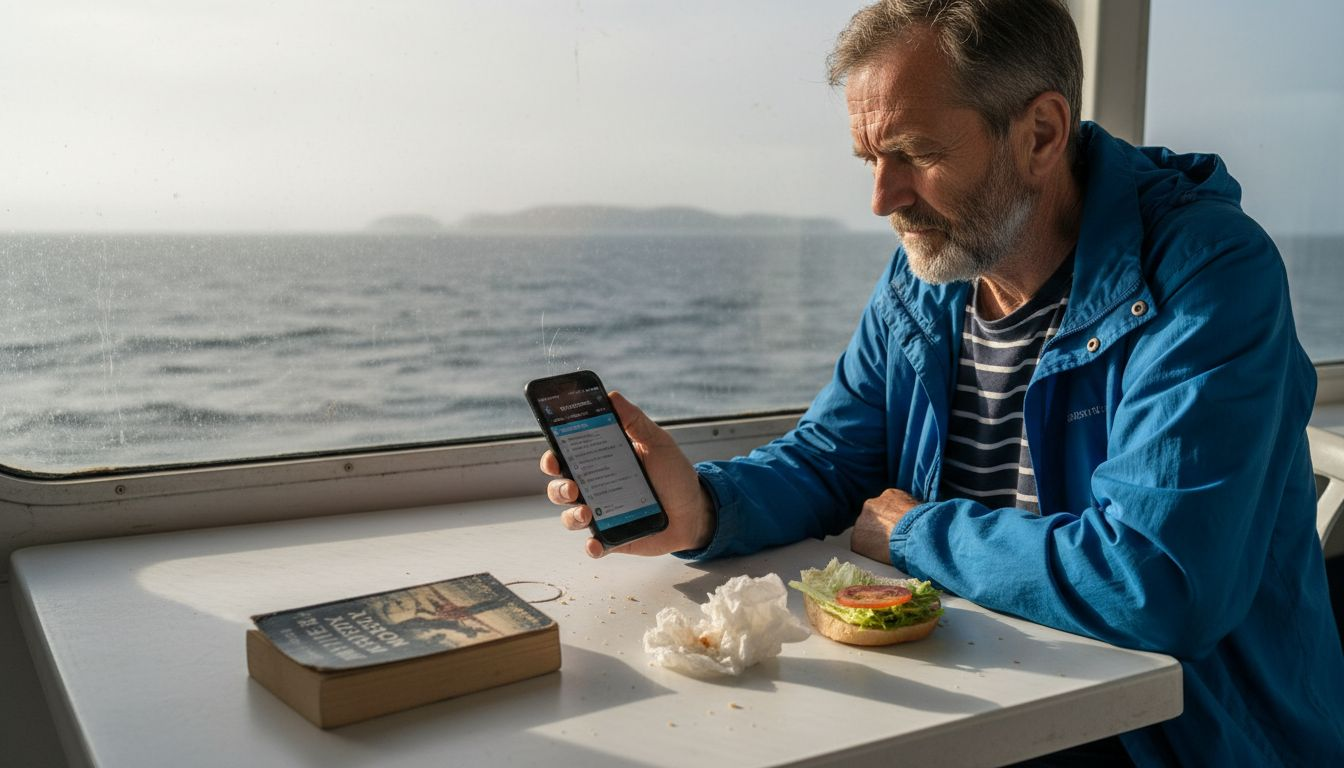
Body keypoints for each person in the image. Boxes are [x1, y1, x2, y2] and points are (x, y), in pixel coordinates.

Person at [540, 0, 1344, 764]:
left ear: (1040, 133)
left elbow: (1160, 583)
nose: (882, 199)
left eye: (916, 155)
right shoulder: (926, 278)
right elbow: (833, 459)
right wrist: (704, 506)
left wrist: (916, 534)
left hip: (1172, 737)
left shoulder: (1207, 276)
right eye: (870, 159)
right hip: (990, 697)